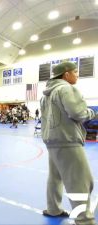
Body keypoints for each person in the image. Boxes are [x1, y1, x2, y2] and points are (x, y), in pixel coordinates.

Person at [40, 62, 97, 225]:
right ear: (66, 74)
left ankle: (53, 209)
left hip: (52, 141)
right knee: (80, 181)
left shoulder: (46, 94)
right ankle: (84, 220)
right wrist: (91, 112)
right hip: (67, 141)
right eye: (75, 71)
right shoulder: (66, 89)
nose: (77, 74)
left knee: (55, 177)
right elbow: (78, 113)